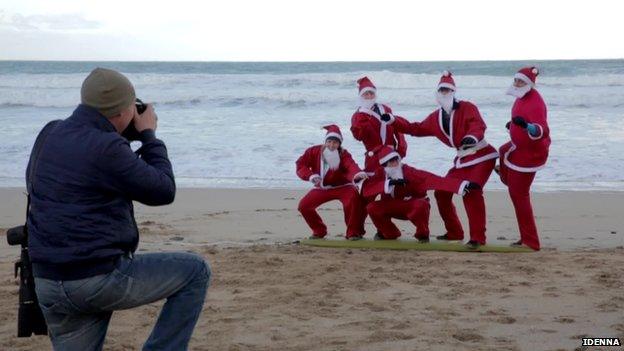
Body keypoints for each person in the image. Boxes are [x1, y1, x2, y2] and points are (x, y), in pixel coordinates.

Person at [27, 68, 211, 350]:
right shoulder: (108, 147)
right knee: (195, 271)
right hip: (96, 279)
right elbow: (163, 190)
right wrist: (148, 136)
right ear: (123, 111)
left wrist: (124, 140)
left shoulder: (50, 132)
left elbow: (65, 173)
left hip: (47, 280)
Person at [392, 71, 498, 247]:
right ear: (437, 93)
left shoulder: (468, 107)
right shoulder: (436, 118)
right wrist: (393, 120)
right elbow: (415, 129)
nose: (444, 93)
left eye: (448, 90)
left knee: (471, 192)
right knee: (442, 192)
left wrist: (472, 137)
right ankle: (454, 232)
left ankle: (478, 238)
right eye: (442, 90)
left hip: (482, 156)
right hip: (462, 161)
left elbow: (477, 125)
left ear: (454, 92)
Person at [362, 146, 481, 246]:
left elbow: (435, 180)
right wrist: (388, 183)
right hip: (393, 207)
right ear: (385, 165)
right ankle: (390, 233)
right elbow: (367, 190)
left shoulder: (410, 172)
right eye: (392, 161)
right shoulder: (380, 174)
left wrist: (462, 184)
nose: (396, 163)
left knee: (421, 205)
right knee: (372, 207)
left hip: (412, 207)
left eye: (396, 159)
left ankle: (423, 235)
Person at [497, 66, 551, 251]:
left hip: (530, 154)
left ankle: (530, 241)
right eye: (516, 80)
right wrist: (512, 125)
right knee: (502, 151)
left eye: (520, 81)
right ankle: (506, 176)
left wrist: (528, 127)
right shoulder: (522, 97)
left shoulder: (535, 102)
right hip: (518, 148)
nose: (516, 84)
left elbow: (542, 130)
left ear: (528, 84)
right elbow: (519, 118)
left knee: (519, 195)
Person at [296, 125, 368, 240]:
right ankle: (319, 231)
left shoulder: (344, 154)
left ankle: (353, 233)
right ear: (325, 141)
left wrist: (357, 174)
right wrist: (310, 176)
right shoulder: (313, 151)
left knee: (353, 201)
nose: (331, 145)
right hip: (322, 188)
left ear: (339, 144)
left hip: (343, 187)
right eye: (329, 141)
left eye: (335, 142)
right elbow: (300, 165)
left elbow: (351, 166)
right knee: (304, 206)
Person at [350, 76, 409, 174]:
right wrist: (363, 122)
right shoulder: (358, 116)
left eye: (371, 93)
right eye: (366, 94)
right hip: (374, 156)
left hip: (392, 155)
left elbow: (398, 129)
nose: (369, 96)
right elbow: (358, 136)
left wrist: (401, 149)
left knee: (396, 184)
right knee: (375, 185)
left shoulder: (386, 109)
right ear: (361, 96)